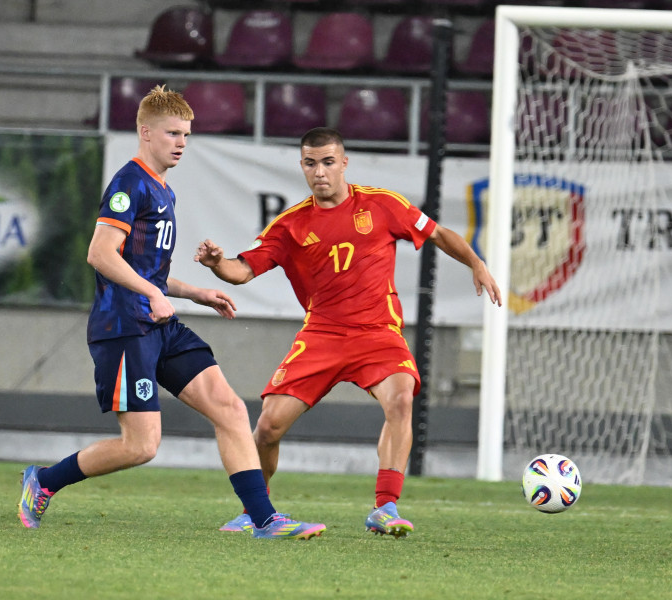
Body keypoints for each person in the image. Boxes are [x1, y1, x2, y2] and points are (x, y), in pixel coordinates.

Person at [17, 85, 325, 540]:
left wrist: (195, 292)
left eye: (186, 134)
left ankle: (264, 519)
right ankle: (43, 481)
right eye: (172, 133)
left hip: (160, 324)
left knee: (230, 409)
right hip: (124, 327)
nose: (181, 142)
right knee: (141, 447)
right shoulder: (129, 183)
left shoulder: (165, 190)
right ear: (145, 133)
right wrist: (152, 293)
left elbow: (149, 273)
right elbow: (101, 254)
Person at [195, 127, 502, 537]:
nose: (319, 172)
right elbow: (243, 270)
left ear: (343, 163)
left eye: (327, 162)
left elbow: (439, 234)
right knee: (268, 427)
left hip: (378, 333)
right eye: (310, 163)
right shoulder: (291, 226)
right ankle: (257, 511)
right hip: (321, 335)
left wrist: (476, 263)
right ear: (301, 166)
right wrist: (217, 263)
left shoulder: (381, 204)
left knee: (401, 399)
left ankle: (385, 507)